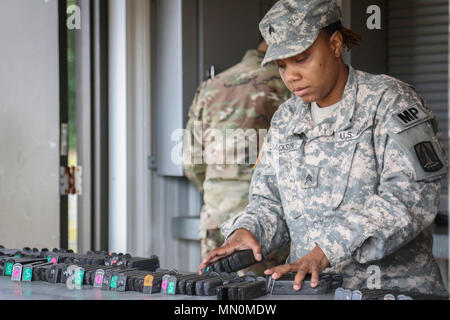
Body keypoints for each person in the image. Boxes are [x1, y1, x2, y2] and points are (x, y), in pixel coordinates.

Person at [199, 0, 448, 296]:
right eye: (282, 65)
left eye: (301, 58)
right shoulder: (286, 118)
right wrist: (248, 231)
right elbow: (269, 200)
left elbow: (411, 197)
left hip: (388, 290)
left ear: (334, 44)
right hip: (311, 292)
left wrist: (326, 250)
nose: (290, 75)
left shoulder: (390, 101)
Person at [183, 40, 292, 272]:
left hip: (216, 213)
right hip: (265, 220)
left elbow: (192, 162)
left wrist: (217, 190)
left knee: (214, 290)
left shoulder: (211, 86)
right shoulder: (289, 83)